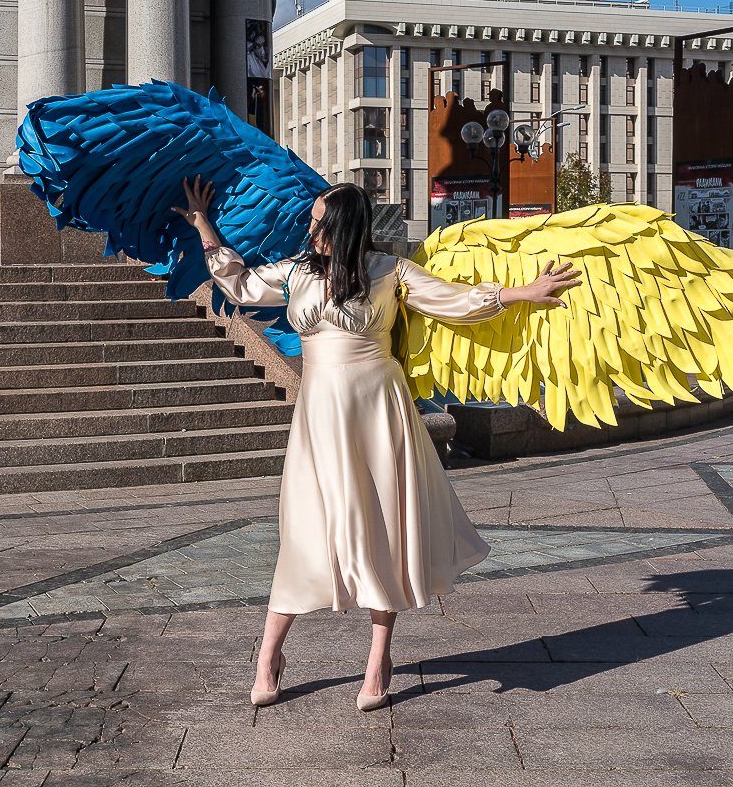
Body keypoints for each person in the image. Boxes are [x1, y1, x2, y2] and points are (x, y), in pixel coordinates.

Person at [172, 177, 580, 711]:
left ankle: (376, 662)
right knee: (305, 528)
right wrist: (205, 225)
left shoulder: (391, 272)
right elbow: (243, 285)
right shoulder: (297, 273)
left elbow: (453, 300)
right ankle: (268, 655)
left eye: (318, 220)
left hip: (380, 411)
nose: (309, 227)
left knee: (385, 526)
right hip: (320, 415)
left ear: (340, 226)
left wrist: (520, 292)